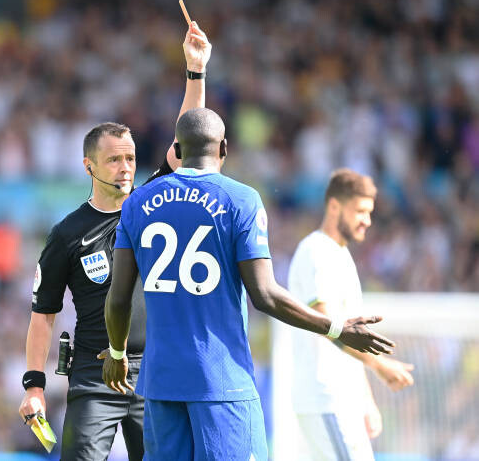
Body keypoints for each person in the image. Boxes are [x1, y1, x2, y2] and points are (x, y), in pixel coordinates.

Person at [101, 107, 396, 461]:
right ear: (223, 149)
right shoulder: (241, 200)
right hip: (221, 382)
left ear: (177, 151)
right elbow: (265, 295)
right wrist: (337, 328)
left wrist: (117, 353)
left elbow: (118, 299)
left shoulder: (137, 203)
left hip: (161, 382)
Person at [18, 21, 212, 461]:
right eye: (113, 160)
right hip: (93, 374)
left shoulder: (150, 203)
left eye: (130, 158)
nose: (125, 167)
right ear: (89, 166)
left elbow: (187, 142)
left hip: (156, 375)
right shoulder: (66, 234)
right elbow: (42, 316)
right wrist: (34, 386)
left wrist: (195, 71)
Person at [287, 168, 414, 461]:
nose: (367, 220)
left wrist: (365, 399)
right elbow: (331, 329)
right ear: (334, 206)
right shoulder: (315, 251)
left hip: (342, 401)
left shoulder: (340, 255)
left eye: (369, 212)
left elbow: (351, 333)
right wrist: (381, 366)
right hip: (325, 397)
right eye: (360, 211)